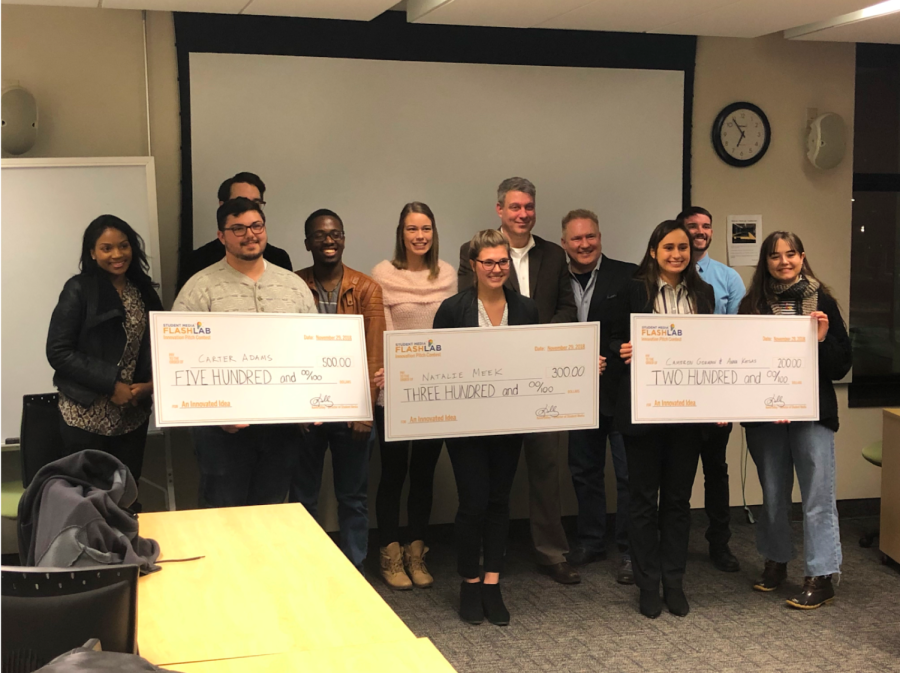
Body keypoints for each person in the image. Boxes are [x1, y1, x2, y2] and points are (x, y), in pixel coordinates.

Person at [458, 177, 579, 585]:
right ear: (500, 210)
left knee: (546, 467)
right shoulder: (475, 253)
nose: (522, 214)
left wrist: (533, 340)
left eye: (528, 206)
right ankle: (492, 552)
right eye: (514, 207)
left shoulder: (554, 254)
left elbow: (567, 308)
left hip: (541, 377)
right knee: (493, 474)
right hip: (492, 382)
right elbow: (466, 308)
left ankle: (551, 551)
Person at [173, 197, 317, 508]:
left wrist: (314, 400)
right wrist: (215, 413)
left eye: (256, 226)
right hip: (222, 430)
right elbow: (179, 359)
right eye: (237, 228)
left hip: (282, 427)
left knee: (271, 512)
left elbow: (311, 351)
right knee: (222, 514)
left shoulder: (293, 286)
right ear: (221, 236)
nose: (249, 234)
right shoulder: (199, 288)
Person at [739, 231, 851, 609]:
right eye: (775, 256)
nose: (783, 262)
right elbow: (739, 362)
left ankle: (821, 575)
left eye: (790, 254)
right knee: (772, 495)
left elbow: (840, 366)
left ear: (802, 257)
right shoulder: (751, 305)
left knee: (817, 497)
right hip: (765, 416)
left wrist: (820, 340)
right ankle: (776, 561)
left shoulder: (824, 302)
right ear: (765, 262)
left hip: (812, 414)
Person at [611, 220, 715, 619]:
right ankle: (647, 583)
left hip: (687, 414)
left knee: (677, 501)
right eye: (668, 247)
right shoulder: (633, 289)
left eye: (683, 248)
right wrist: (620, 350)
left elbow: (710, 351)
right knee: (641, 502)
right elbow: (609, 339)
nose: (677, 254)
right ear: (653, 250)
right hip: (643, 413)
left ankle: (674, 581)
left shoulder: (702, 293)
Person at [436, 229, 539, 625]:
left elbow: (537, 361)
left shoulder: (526, 309)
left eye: (502, 261)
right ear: (473, 266)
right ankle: (469, 581)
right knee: (473, 503)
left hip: (509, 423)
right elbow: (438, 368)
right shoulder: (451, 309)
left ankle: (492, 583)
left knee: (499, 501)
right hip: (465, 427)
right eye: (488, 262)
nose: (496, 269)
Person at [291, 209, 385, 572]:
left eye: (336, 234)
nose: (329, 241)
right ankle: (307, 569)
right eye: (320, 235)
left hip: (352, 413)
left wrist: (365, 410)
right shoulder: (295, 286)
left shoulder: (366, 288)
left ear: (344, 238)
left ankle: (355, 570)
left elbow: (374, 350)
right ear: (307, 243)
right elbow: (289, 350)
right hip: (308, 413)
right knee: (302, 497)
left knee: (353, 498)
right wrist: (297, 409)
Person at [370, 202, 456, 590]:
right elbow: (383, 331)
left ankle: (416, 550)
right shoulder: (384, 274)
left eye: (426, 228)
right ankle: (389, 554)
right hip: (396, 390)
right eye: (411, 229)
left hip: (434, 391)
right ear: (400, 234)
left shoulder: (448, 274)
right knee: (393, 473)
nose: (419, 236)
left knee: (424, 473)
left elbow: (451, 333)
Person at [47, 215, 163, 490]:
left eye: (123, 246)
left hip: (132, 416)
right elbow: (58, 351)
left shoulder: (143, 290)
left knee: (125, 499)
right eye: (106, 248)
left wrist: (151, 385)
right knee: (85, 502)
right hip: (85, 416)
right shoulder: (79, 289)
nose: (117, 254)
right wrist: (111, 384)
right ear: (92, 252)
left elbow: (161, 344)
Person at [560, 209, 636, 584]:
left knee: (626, 474)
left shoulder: (628, 274)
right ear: (564, 244)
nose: (584, 244)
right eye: (576, 238)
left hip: (621, 391)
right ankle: (591, 540)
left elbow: (637, 329)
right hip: (577, 393)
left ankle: (628, 549)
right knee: (584, 470)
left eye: (590, 236)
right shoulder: (555, 279)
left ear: (600, 237)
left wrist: (609, 348)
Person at [677, 206, 745, 573]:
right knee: (678, 471)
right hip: (678, 389)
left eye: (705, 226)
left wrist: (727, 399)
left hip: (717, 389)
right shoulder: (666, 274)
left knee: (716, 470)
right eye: (692, 227)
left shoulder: (729, 278)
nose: (700, 232)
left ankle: (720, 544)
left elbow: (739, 336)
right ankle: (675, 545)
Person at [177, 172, 292, 291]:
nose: (248, 209)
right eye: (240, 202)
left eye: (256, 204)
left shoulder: (278, 258)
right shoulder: (197, 261)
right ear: (222, 206)